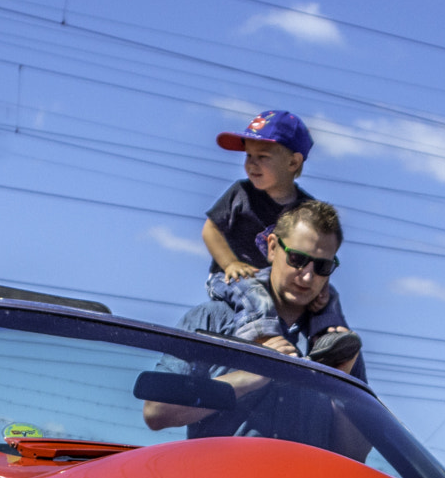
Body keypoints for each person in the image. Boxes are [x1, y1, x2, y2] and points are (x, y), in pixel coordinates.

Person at [143, 200, 367, 452]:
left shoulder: (336, 344)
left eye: (322, 266)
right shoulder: (210, 320)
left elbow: (355, 454)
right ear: (272, 247)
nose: (307, 276)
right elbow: (156, 410)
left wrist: (342, 386)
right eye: (297, 259)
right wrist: (252, 375)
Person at [202, 110, 316, 281]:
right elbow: (210, 230)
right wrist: (230, 263)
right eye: (249, 155)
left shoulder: (307, 209)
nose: (251, 163)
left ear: (293, 162)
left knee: (330, 296)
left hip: (278, 282)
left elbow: (316, 250)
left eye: (262, 156)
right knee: (258, 298)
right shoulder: (242, 192)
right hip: (234, 277)